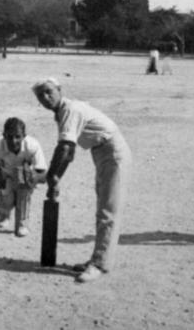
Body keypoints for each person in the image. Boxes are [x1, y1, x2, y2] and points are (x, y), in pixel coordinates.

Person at [32, 78, 132, 283]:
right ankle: (97, 259)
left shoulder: (70, 110)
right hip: (102, 153)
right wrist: (55, 177)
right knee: (102, 209)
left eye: (49, 91)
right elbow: (69, 152)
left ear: (60, 90)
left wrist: (52, 177)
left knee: (108, 211)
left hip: (113, 153)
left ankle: (100, 265)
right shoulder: (61, 113)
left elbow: (65, 149)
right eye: (40, 95)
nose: (45, 97)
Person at [0, 117, 47, 237]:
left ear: (24, 136)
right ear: (4, 135)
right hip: (6, 173)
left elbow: (43, 174)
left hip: (24, 175)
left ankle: (22, 224)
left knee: (23, 192)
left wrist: (32, 179)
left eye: (18, 137)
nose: (13, 141)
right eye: (9, 137)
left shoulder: (32, 146)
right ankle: (4, 214)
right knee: (7, 198)